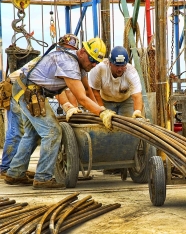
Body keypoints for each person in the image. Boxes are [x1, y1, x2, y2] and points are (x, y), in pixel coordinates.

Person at [4, 36, 115, 189]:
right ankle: (43, 178)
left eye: (97, 62)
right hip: (28, 92)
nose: (94, 64)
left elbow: (88, 91)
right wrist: (103, 112)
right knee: (52, 132)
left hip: (31, 91)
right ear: (82, 51)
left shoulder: (82, 64)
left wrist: (97, 111)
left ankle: (15, 173)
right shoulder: (68, 63)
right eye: (92, 60)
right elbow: (81, 98)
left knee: (32, 134)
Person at [88, 46, 143, 119]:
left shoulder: (131, 72)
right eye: (117, 65)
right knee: (104, 125)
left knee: (128, 125)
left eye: (122, 65)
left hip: (125, 101)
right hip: (105, 100)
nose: (120, 69)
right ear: (109, 63)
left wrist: (137, 112)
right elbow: (95, 91)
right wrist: (102, 110)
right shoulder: (99, 69)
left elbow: (137, 96)